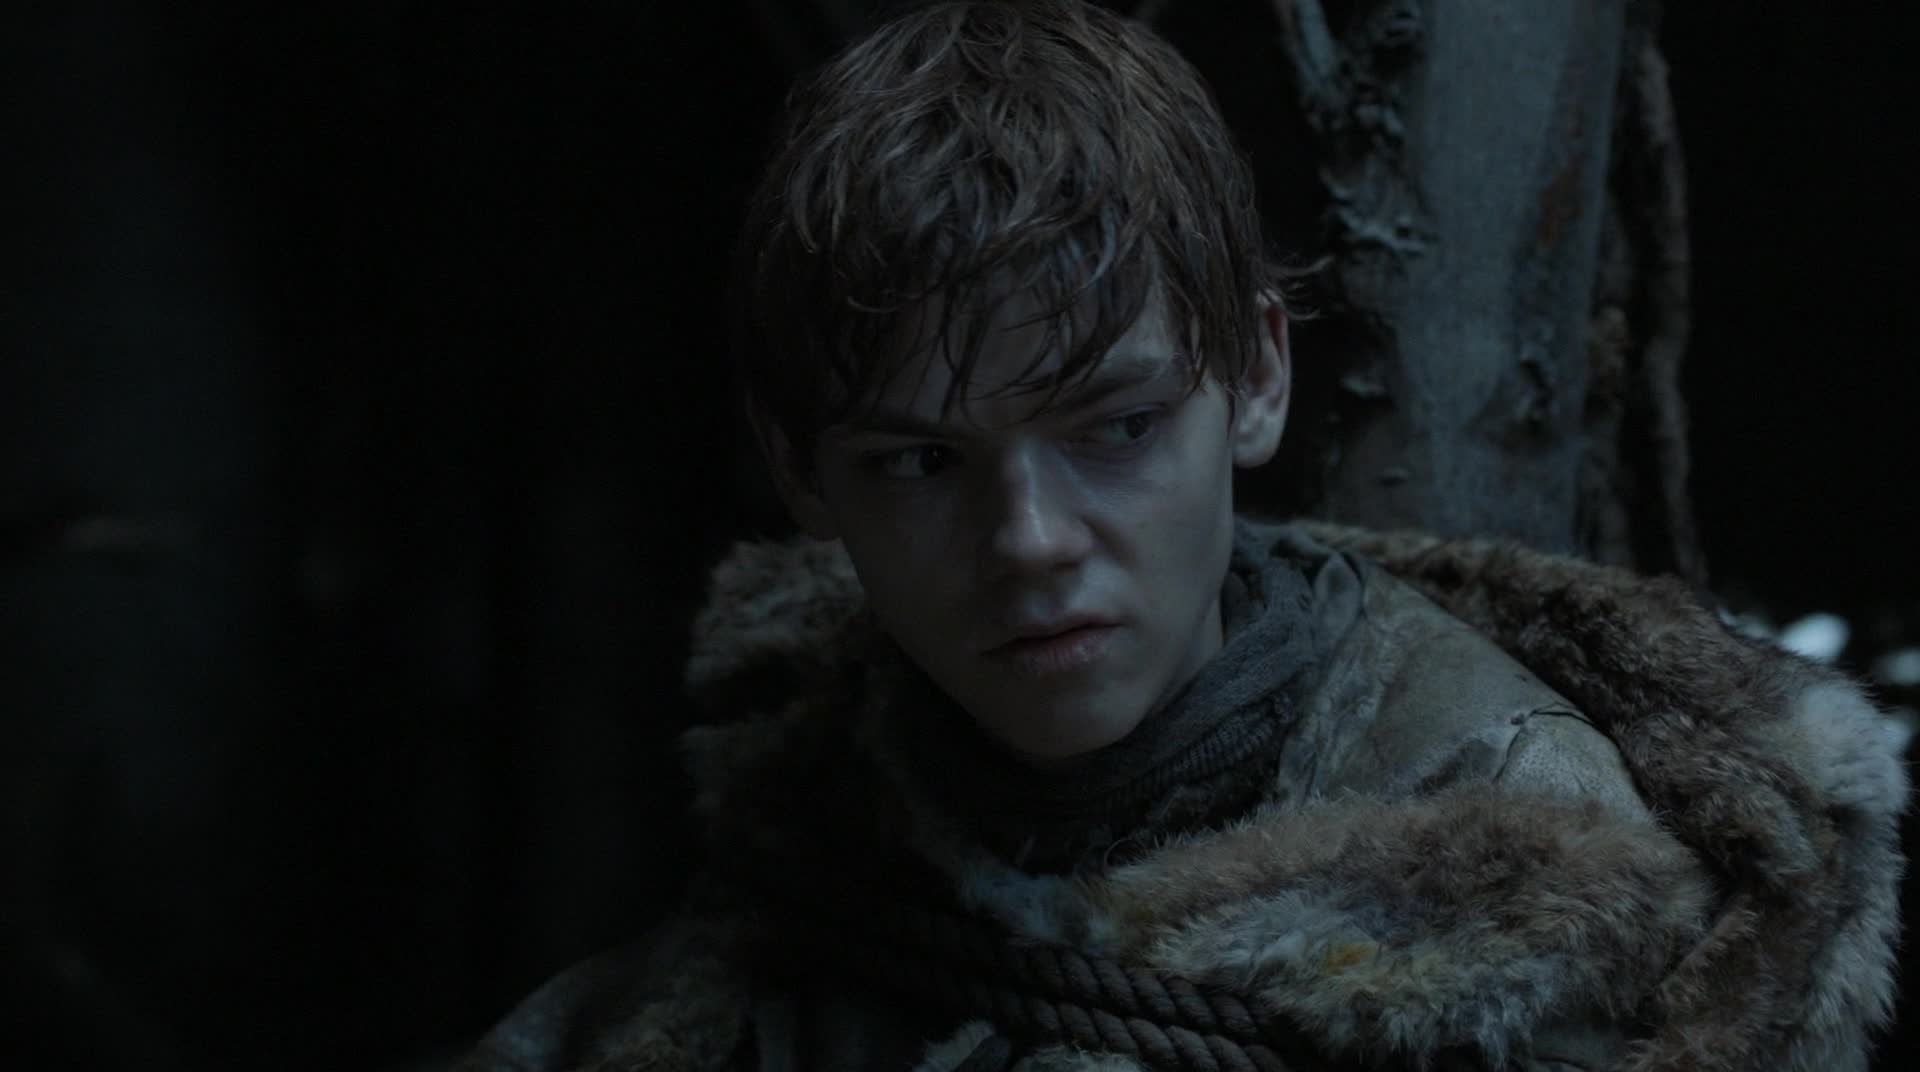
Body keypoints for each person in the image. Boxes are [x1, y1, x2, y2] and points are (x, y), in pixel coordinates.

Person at [456, 2, 1906, 1069]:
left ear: (1257, 377)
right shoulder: (822, 803)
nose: (1030, 541)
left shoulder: (1521, 856)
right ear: (804, 477)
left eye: (1116, 429)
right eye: (920, 462)